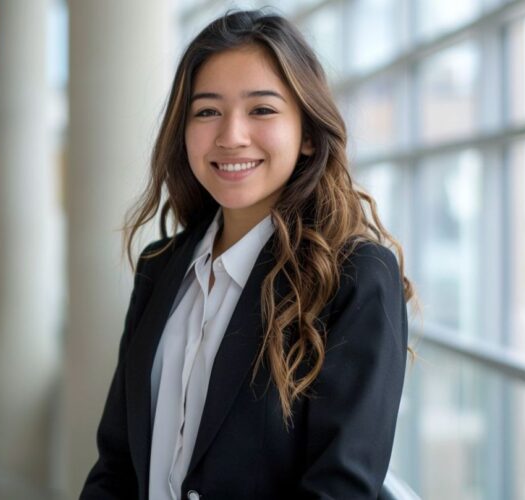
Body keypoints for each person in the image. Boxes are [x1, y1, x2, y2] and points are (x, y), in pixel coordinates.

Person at [80, 8, 413, 500]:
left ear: (307, 135)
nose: (231, 135)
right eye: (207, 111)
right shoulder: (160, 267)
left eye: (261, 110)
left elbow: (338, 489)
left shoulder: (355, 278)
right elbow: (116, 464)